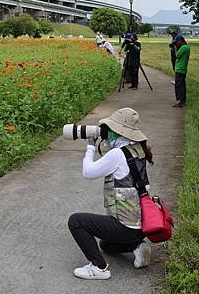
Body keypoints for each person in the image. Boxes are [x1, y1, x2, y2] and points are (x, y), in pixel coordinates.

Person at [68, 107, 153, 280]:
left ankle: (99, 268)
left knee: (76, 221)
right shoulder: (138, 150)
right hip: (140, 226)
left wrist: (91, 147)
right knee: (105, 245)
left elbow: (88, 172)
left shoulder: (117, 154)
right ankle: (137, 246)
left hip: (125, 226)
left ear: (118, 131)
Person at [172, 35, 190, 107]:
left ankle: (180, 100)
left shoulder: (184, 47)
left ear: (180, 41)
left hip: (180, 69)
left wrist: (176, 48)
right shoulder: (186, 47)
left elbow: (177, 55)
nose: (176, 43)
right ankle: (182, 100)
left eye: (177, 42)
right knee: (181, 85)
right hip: (182, 69)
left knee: (178, 86)